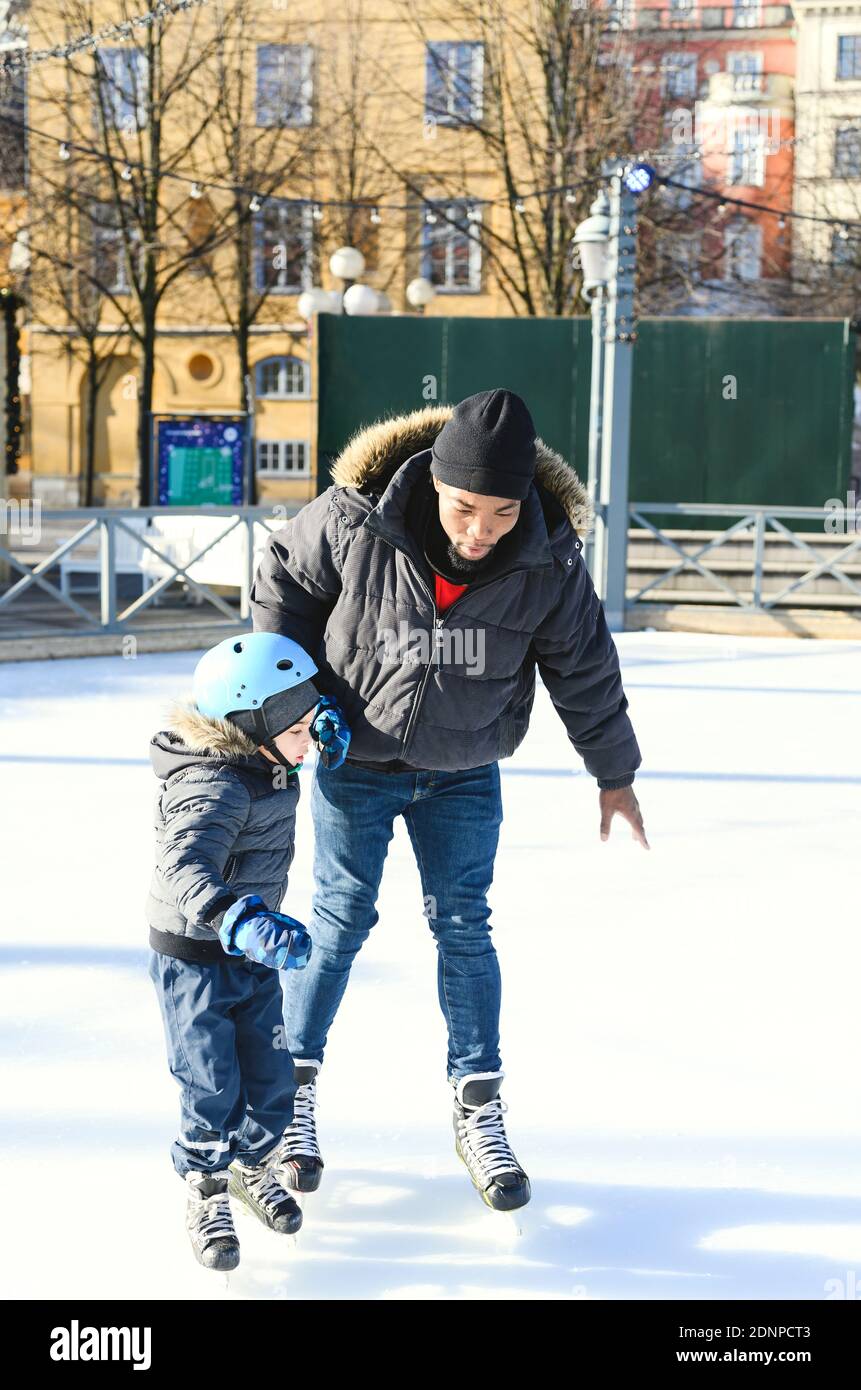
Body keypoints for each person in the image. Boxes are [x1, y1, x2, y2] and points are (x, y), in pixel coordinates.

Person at [251, 388, 648, 1214]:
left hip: (465, 769)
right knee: (339, 919)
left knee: (464, 922)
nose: (479, 532)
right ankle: (289, 1099)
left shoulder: (546, 558)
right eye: (466, 508)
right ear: (433, 480)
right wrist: (285, 705)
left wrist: (613, 774)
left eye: (500, 513)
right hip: (353, 761)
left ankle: (478, 1105)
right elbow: (282, 581)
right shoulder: (355, 519)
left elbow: (583, 667)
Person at [146, 631, 326, 1271]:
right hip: (196, 956)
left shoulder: (265, 762)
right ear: (254, 724)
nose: (313, 739)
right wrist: (237, 918)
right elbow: (184, 862)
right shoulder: (214, 784)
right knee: (212, 1085)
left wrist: (320, 729)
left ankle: (251, 1164)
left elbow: (299, 739)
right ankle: (205, 1186)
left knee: (273, 1078)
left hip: (249, 951)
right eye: (302, 728)